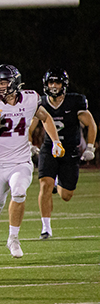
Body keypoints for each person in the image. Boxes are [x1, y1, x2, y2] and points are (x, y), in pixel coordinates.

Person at [0, 65, 64, 260]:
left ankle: (13, 238)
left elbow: (45, 117)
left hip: (21, 161)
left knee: (20, 191)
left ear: (14, 83)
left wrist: (55, 141)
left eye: (3, 83)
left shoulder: (30, 99)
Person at [33, 68, 94, 240]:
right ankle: (46, 228)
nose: (53, 86)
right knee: (45, 185)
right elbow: (30, 125)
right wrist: (30, 144)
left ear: (63, 85)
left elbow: (91, 124)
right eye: (51, 82)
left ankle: (58, 181)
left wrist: (90, 147)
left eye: (57, 82)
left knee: (66, 196)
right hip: (49, 148)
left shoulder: (75, 102)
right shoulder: (41, 103)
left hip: (69, 150)